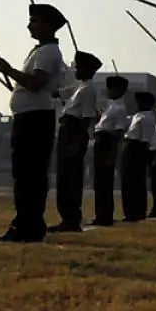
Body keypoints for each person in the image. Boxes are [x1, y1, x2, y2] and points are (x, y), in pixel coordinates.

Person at [0, 4, 67, 243]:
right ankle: (26, 223)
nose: (29, 25)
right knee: (26, 174)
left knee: (29, 175)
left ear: (48, 25)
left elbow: (35, 83)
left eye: (34, 21)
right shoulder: (41, 50)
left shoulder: (47, 52)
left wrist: (9, 70)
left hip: (35, 119)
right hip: (30, 116)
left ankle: (28, 225)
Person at [50, 51, 102, 233]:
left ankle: (71, 217)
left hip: (74, 133)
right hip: (68, 131)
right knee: (64, 177)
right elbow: (59, 93)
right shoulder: (80, 87)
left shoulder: (88, 90)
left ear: (86, 69)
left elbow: (86, 119)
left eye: (78, 67)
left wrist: (76, 143)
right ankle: (67, 217)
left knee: (70, 178)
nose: (75, 70)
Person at [90, 75, 130, 226]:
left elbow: (118, 133)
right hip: (101, 141)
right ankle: (101, 214)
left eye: (111, 88)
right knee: (99, 182)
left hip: (107, 143)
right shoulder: (110, 106)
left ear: (118, 90)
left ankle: (104, 216)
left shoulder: (119, 108)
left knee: (104, 182)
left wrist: (112, 154)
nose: (108, 91)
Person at [121, 92, 156, 222]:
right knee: (128, 182)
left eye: (140, 101)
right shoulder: (138, 115)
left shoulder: (147, 118)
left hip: (138, 148)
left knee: (135, 182)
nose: (137, 104)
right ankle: (130, 211)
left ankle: (136, 212)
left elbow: (145, 139)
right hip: (130, 146)